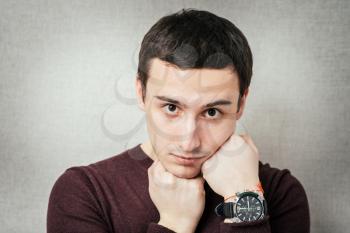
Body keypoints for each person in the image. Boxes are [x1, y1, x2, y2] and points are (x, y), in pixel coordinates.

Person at [47, 8, 310, 233]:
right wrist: (174, 224)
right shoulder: (84, 193)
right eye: (171, 107)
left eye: (211, 112)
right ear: (141, 93)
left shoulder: (280, 193)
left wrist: (244, 199)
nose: (189, 141)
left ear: (241, 103)